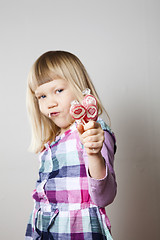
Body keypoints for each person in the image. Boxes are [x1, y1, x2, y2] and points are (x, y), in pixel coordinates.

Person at [25, 50, 117, 240]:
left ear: (78, 86)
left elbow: (104, 197)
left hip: (78, 232)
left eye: (58, 91)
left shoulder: (92, 131)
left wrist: (93, 154)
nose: (50, 103)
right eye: (41, 96)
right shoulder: (52, 141)